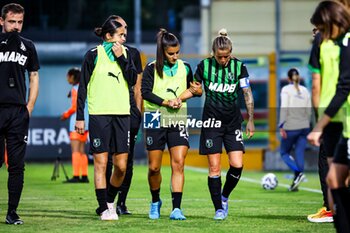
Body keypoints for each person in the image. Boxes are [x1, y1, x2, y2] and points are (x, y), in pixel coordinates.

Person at [75, 16, 137, 220]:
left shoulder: (129, 54)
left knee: (121, 166)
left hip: (122, 114)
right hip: (99, 114)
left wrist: (122, 58)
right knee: (101, 163)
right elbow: (82, 87)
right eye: (120, 35)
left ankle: (110, 200)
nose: (124, 38)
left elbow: (132, 80)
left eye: (125, 35)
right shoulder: (93, 55)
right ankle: (103, 208)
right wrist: (80, 117)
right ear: (109, 36)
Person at [194, 29, 255, 220]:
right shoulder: (204, 66)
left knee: (237, 164)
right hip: (211, 122)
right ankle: (218, 209)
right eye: (220, 57)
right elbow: (195, 88)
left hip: (232, 122)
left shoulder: (239, 67)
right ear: (213, 53)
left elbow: (247, 93)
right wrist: (188, 94)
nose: (223, 60)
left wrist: (251, 118)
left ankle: (225, 196)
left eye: (226, 56)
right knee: (214, 168)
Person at [141, 28, 202, 220]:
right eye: (171, 53)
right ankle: (155, 201)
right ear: (162, 52)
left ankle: (176, 208)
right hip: (154, 117)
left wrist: (197, 92)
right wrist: (167, 102)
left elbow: (193, 89)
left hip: (178, 117)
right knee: (154, 168)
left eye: (177, 52)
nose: (175, 56)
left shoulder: (185, 67)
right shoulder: (151, 68)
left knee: (179, 163)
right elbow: (145, 92)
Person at [307, 1, 350, 232]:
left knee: (336, 179)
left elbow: (343, 87)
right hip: (339, 122)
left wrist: (319, 124)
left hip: (340, 120)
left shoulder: (342, 44)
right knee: (335, 180)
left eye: (322, 28)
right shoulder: (330, 42)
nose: (320, 34)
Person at [0, 3, 40, 225]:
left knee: (16, 165)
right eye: (11, 21)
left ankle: (12, 212)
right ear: (1, 21)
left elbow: (34, 76)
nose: (16, 26)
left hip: (17, 112)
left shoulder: (28, 46)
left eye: (19, 22)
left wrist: (30, 106)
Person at [104, 15, 143, 215]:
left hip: (128, 114)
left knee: (126, 161)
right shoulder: (99, 54)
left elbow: (137, 87)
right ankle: (106, 202)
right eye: (121, 29)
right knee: (108, 160)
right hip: (107, 112)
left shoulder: (134, 53)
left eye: (126, 28)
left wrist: (137, 112)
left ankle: (122, 202)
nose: (125, 32)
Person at [278, 68, 311, 192]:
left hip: (291, 126)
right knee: (299, 153)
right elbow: (309, 110)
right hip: (304, 127)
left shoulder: (286, 90)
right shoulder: (305, 90)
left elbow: (284, 107)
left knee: (284, 152)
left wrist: (281, 125)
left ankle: (298, 172)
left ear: (288, 78)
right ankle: (297, 179)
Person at [60, 68, 89, 183]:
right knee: (82, 150)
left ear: (72, 76)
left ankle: (76, 176)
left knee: (75, 150)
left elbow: (75, 107)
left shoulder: (75, 89)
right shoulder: (86, 88)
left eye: (68, 76)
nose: (67, 78)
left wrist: (65, 115)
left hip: (76, 122)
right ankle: (85, 176)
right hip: (86, 122)